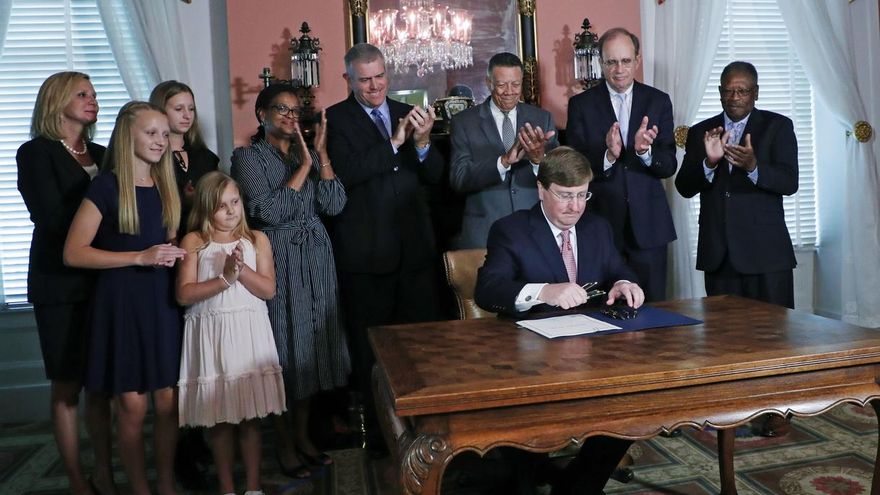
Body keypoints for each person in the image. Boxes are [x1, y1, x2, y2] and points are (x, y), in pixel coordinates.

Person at [475, 146, 642, 495]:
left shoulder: (597, 227)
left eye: (583, 195)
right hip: (530, 362)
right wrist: (544, 291)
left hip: (594, 357)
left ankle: (577, 487)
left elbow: (617, 269)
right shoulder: (511, 230)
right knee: (523, 447)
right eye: (565, 196)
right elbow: (488, 290)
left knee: (633, 411)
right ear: (541, 189)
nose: (576, 207)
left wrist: (626, 281)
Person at [325, 43, 444, 452]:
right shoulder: (334, 120)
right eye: (365, 79)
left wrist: (424, 142)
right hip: (366, 255)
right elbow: (348, 172)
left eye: (380, 76)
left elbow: (434, 177)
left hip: (414, 253)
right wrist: (395, 142)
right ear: (348, 80)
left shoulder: (406, 110)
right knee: (372, 353)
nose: (374, 86)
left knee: (421, 347)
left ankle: (427, 434)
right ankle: (382, 440)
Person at [63, 101, 187, 495]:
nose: (160, 141)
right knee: (133, 406)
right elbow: (74, 251)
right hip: (120, 304)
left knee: (169, 404)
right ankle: (139, 489)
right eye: (151, 133)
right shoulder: (106, 185)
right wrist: (139, 256)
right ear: (127, 136)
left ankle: (165, 483)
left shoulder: (167, 185)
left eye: (165, 134)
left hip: (162, 302)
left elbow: (166, 243)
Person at [231, 83, 349, 478]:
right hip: (277, 258)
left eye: (296, 110)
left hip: (317, 255)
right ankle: (283, 443)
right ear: (261, 114)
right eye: (280, 109)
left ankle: (303, 437)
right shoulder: (247, 157)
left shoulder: (310, 154)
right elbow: (267, 211)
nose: (289, 116)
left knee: (314, 351)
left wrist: (323, 157)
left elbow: (334, 204)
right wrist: (302, 168)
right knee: (286, 353)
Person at [675, 61, 798, 438]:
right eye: (728, 90)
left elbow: (789, 182)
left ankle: (778, 409)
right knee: (726, 340)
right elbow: (684, 186)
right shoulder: (702, 132)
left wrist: (755, 167)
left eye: (743, 90)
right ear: (720, 92)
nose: (735, 97)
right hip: (720, 253)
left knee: (772, 337)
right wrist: (709, 163)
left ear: (755, 93)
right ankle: (733, 407)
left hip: (766, 255)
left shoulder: (777, 127)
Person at [16, 71, 116, 495]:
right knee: (67, 383)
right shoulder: (35, 153)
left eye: (94, 94)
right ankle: (77, 480)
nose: (92, 100)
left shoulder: (101, 151)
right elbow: (50, 217)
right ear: (57, 101)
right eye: (81, 94)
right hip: (59, 282)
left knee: (101, 384)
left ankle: (106, 475)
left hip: (104, 281)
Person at [176, 171, 286, 495]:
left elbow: (268, 289)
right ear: (206, 209)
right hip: (212, 333)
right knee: (220, 420)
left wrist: (241, 271)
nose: (231, 211)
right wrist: (224, 278)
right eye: (221, 206)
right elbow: (183, 294)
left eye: (235, 202)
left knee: (250, 418)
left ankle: (252, 487)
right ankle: (226, 488)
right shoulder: (194, 241)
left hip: (247, 333)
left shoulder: (256, 240)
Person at [566, 27, 677, 302]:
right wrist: (608, 156)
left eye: (625, 61)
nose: (619, 69)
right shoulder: (581, 105)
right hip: (600, 226)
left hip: (650, 228)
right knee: (602, 311)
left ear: (637, 60)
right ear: (601, 63)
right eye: (611, 62)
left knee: (653, 310)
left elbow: (669, 165)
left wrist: (645, 153)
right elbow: (573, 166)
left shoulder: (658, 101)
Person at [449, 52, 559, 249]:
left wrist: (538, 160)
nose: (509, 91)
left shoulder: (542, 119)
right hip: (484, 233)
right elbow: (459, 178)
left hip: (534, 230)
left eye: (515, 85)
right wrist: (503, 162)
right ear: (488, 82)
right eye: (501, 85)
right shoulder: (464, 122)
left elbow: (559, 179)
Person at [149, 80, 220, 242]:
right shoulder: (152, 156)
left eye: (191, 109)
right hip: (161, 242)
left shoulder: (206, 157)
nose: (187, 115)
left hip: (203, 239)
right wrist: (183, 199)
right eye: (178, 109)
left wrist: (200, 199)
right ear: (160, 111)